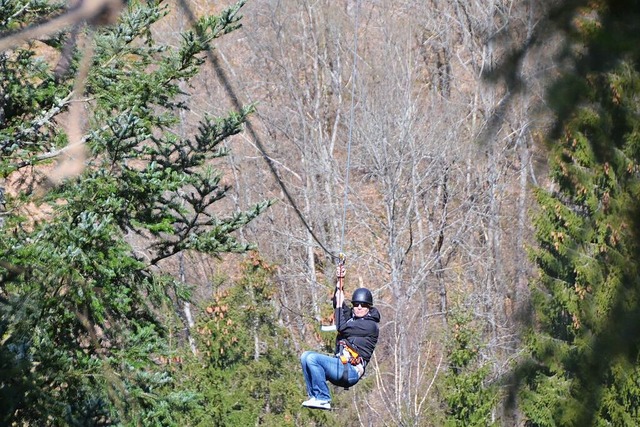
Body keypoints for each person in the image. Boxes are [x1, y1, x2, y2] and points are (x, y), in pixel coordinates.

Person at [300, 264, 381, 410]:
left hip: (350, 370)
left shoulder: (370, 326)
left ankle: (323, 398)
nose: (359, 307)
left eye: (363, 305)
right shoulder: (353, 317)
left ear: (369, 308)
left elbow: (340, 325)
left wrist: (338, 310)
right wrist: (340, 281)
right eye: (356, 304)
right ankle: (314, 396)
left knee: (313, 359)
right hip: (340, 365)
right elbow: (338, 303)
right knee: (305, 356)